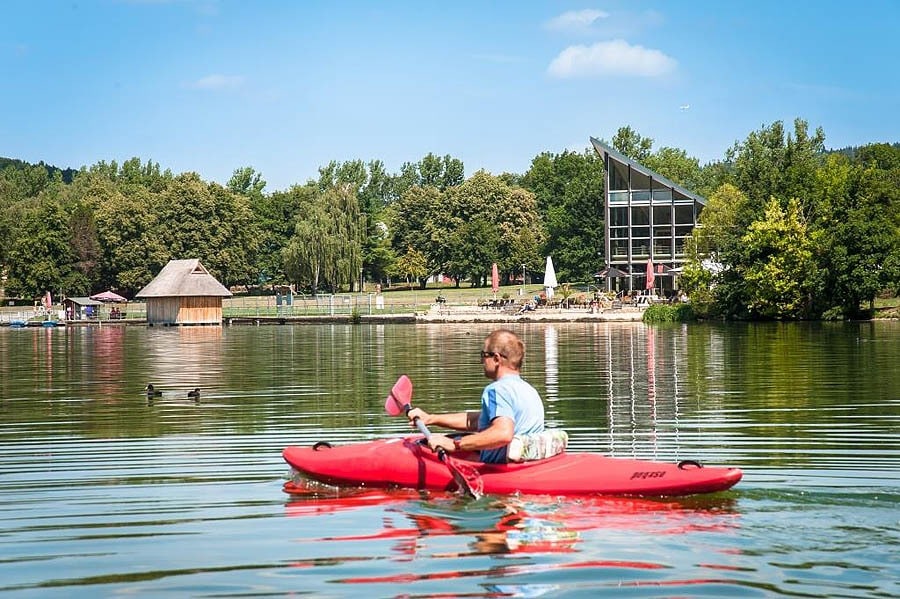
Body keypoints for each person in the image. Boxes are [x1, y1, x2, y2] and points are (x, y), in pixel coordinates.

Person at [407, 329, 544, 463]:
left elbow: (503, 433)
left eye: (483, 355)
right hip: (528, 466)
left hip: (501, 472)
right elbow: (480, 420)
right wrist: (431, 418)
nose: (481, 361)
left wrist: (455, 444)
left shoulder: (497, 390)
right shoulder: (529, 391)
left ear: (496, 359)